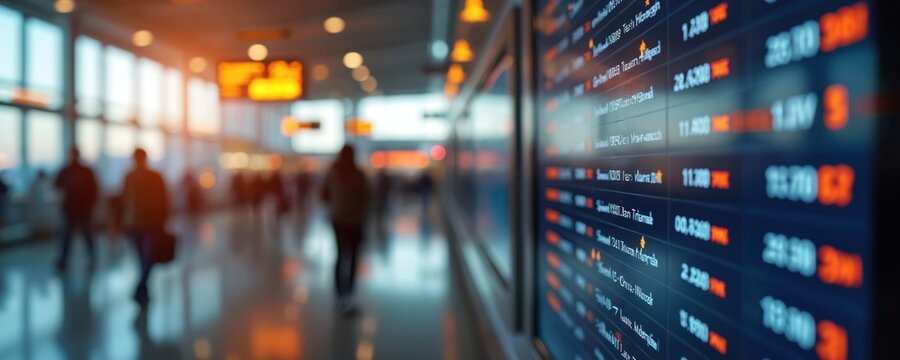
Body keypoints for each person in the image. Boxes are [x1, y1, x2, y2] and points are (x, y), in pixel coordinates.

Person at [320, 145, 371, 312]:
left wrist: (336, 203)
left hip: (338, 219)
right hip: (355, 221)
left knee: (341, 255)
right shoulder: (358, 174)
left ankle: (339, 294)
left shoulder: (333, 174)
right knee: (353, 256)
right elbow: (367, 197)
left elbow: (323, 195)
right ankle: (349, 293)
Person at [120, 148, 170, 306]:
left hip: (151, 224)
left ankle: (140, 287)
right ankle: (144, 289)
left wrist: (162, 221)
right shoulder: (129, 177)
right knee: (141, 258)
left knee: (148, 257)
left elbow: (163, 200)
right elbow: (123, 199)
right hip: (133, 224)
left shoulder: (155, 177)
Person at [54, 149, 99, 271]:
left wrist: (91, 204)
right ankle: (63, 260)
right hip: (70, 208)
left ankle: (92, 257)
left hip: (84, 209)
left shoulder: (86, 171)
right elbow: (57, 185)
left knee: (87, 235)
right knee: (66, 236)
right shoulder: (66, 171)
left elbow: (94, 189)